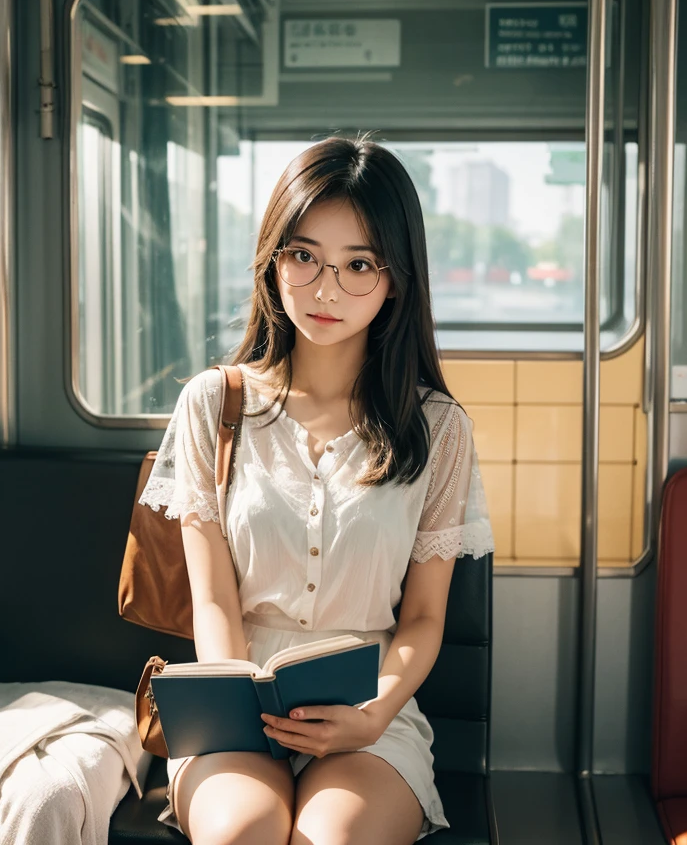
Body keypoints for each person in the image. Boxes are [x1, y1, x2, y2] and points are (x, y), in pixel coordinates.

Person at [139, 136, 495, 845]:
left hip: (369, 708)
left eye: (358, 265)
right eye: (304, 256)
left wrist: (372, 713)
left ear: (397, 279)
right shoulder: (213, 404)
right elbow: (211, 598)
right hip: (232, 689)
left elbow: (423, 619)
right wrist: (239, 696)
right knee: (242, 834)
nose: (326, 289)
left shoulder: (438, 429)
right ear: (273, 262)